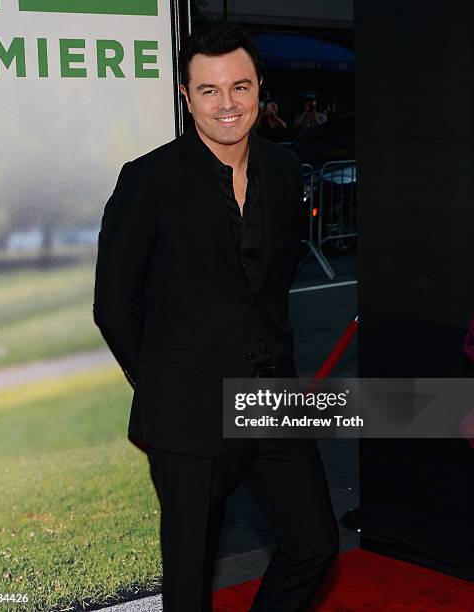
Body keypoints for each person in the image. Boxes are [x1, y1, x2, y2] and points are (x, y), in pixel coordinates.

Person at [93, 22, 339, 612]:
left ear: (260, 89)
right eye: (209, 90)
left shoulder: (284, 171)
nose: (227, 104)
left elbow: (271, 287)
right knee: (189, 579)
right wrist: (162, 379)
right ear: (186, 95)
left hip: (273, 397)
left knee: (315, 544)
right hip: (186, 410)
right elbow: (114, 306)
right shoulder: (147, 180)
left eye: (240, 87)